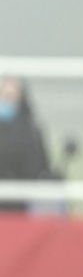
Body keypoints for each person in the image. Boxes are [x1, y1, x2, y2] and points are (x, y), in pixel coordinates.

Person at [0, 75, 54, 212]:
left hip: (20, 201)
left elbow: (40, 165)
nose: (6, 101)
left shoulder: (30, 131)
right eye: (4, 95)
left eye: (11, 96)